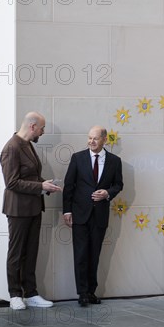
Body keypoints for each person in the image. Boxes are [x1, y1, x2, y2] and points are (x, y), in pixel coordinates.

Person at [1, 112, 62, 310]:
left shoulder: (27, 145)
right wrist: (40, 187)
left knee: (31, 252)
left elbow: (31, 175)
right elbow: (11, 183)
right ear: (33, 126)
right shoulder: (12, 147)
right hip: (18, 209)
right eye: (42, 128)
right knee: (17, 253)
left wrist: (45, 185)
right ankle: (15, 295)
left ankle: (31, 293)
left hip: (34, 207)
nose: (43, 133)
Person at [63, 126, 123, 306]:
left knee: (94, 255)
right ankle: (82, 293)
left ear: (105, 139)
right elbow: (69, 186)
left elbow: (118, 185)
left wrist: (107, 193)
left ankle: (91, 292)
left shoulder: (114, 161)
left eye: (95, 138)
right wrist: (67, 211)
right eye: (89, 138)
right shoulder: (77, 158)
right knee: (80, 254)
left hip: (100, 215)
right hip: (80, 215)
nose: (91, 141)